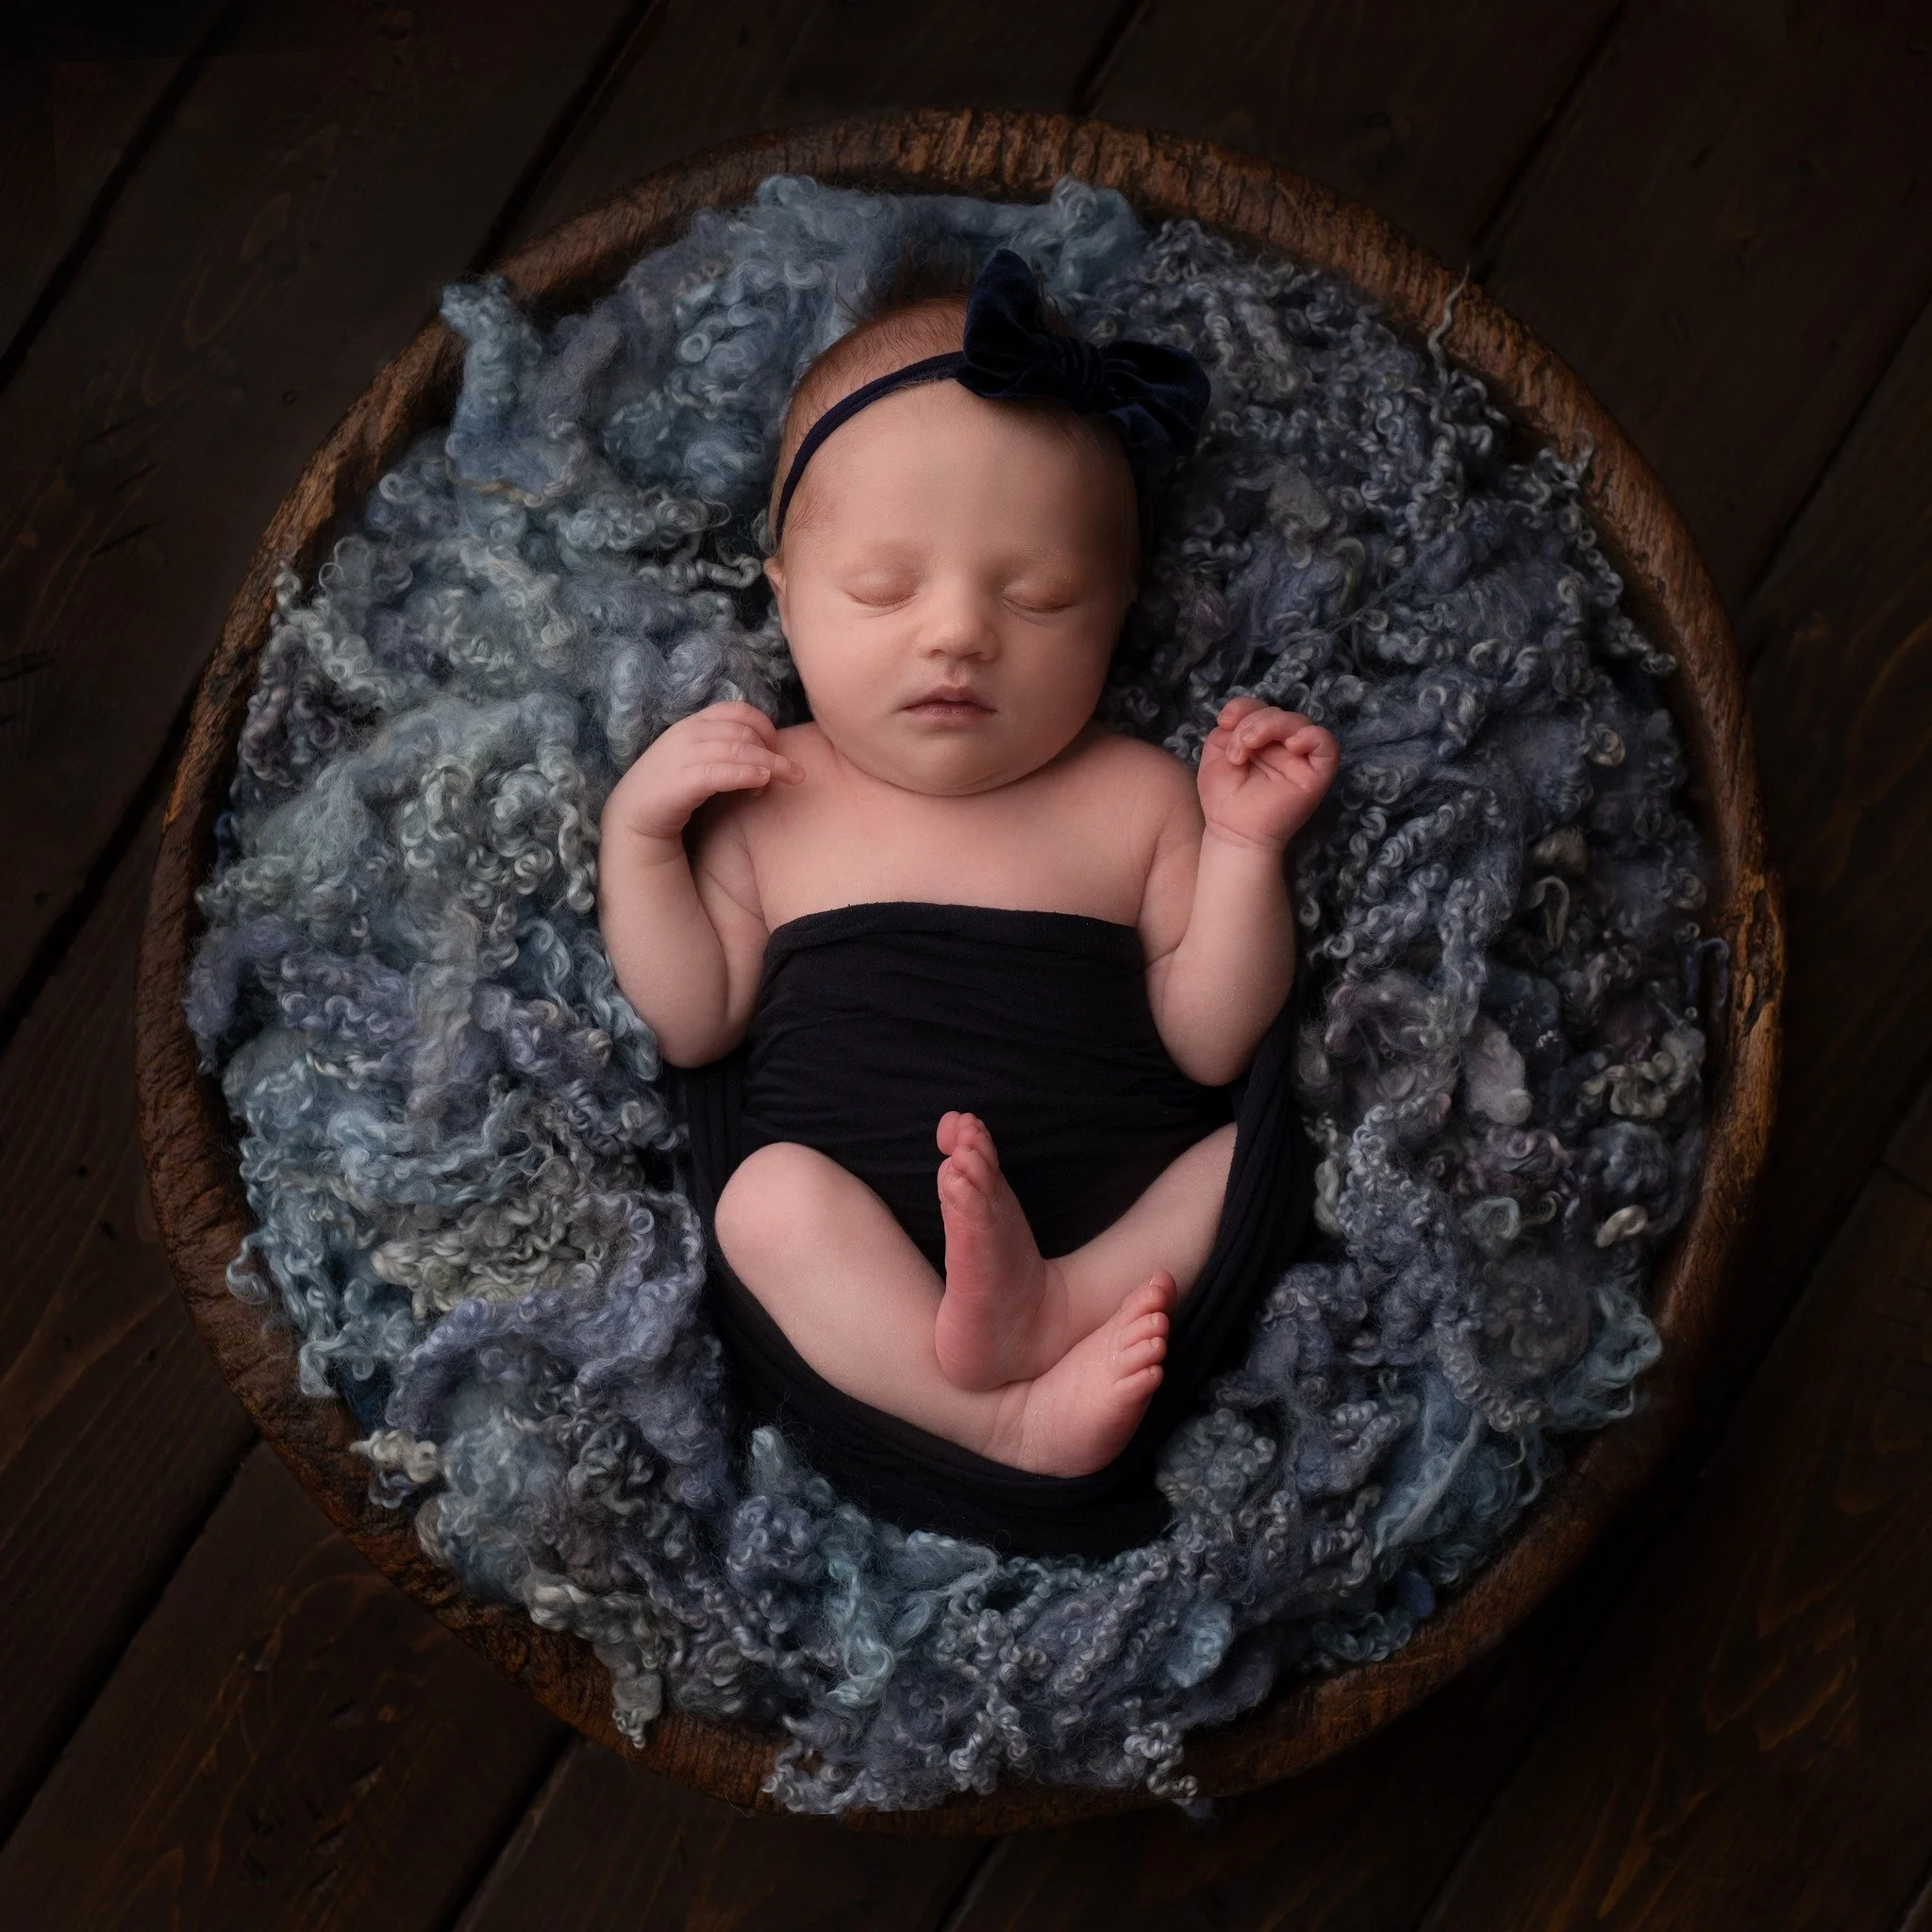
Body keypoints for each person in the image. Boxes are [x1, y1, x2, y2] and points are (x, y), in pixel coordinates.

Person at [598, 248, 1340, 1483]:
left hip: (1106, 1236)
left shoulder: (1139, 796)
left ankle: (1055, 1307)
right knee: (763, 1204)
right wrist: (641, 838)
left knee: (1252, 1156)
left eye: (1041, 599)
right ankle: (996, 1422)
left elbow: (1211, 1044)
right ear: (785, 602)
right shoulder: (766, 797)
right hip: (858, 1253)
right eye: (882, 591)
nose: (957, 633)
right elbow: (692, 1022)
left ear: (1119, 611)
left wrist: (1248, 852)